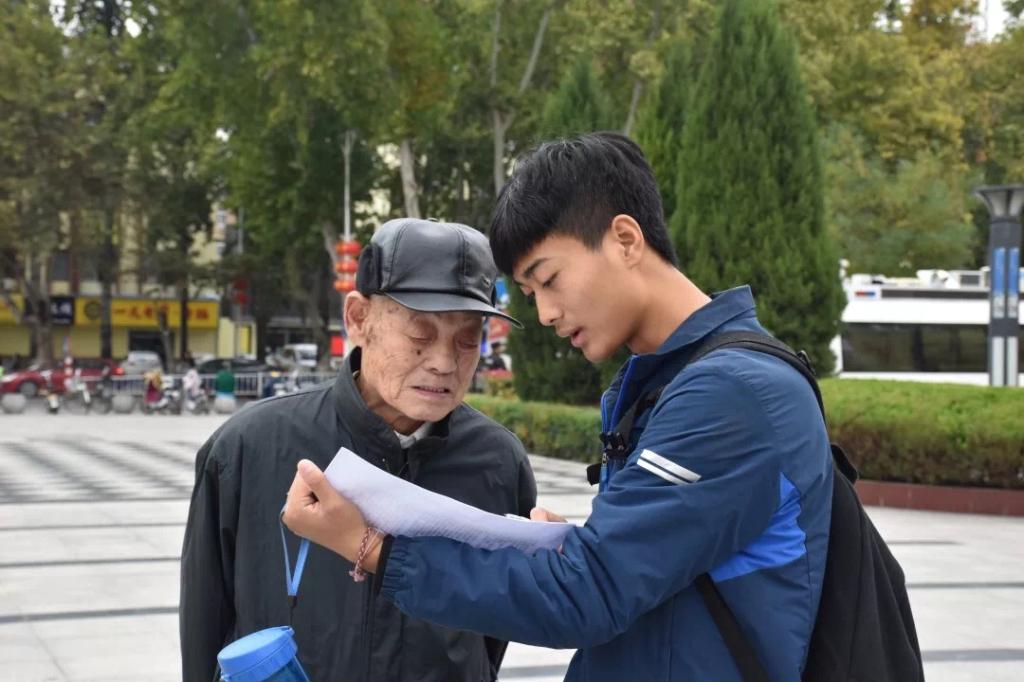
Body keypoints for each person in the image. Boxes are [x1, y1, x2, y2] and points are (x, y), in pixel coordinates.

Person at [283, 133, 834, 681]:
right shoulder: (668, 383)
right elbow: (646, 573)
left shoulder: (730, 394)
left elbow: (588, 596)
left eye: (549, 279)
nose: (545, 313)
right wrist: (581, 549)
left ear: (624, 239)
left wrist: (373, 548)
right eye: (531, 295)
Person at [180, 218, 537, 682]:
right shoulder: (249, 448)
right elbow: (206, 626)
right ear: (358, 319)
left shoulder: (498, 462)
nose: (444, 362)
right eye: (420, 334)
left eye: (468, 338)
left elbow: (490, 639)